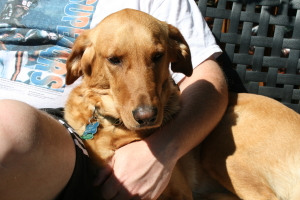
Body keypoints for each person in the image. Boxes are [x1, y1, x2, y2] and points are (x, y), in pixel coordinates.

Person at [0, 0, 228, 199]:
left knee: (7, 123)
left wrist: (162, 150)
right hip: (78, 121)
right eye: (116, 60)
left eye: (156, 56)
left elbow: (205, 78)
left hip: (49, 132)